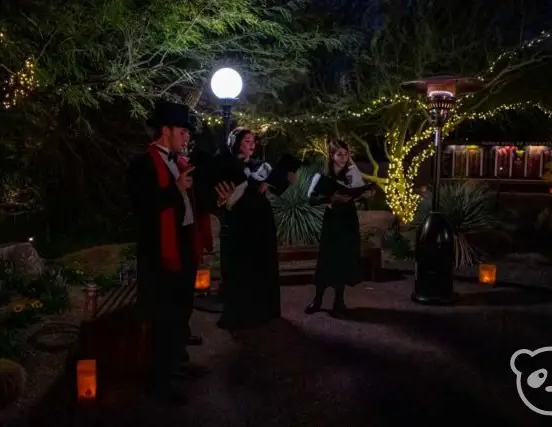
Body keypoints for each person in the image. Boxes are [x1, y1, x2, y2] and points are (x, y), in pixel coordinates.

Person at [126, 101, 231, 404]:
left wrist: (217, 200)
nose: (187, 138)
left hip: (183, 248)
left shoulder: (180, 163)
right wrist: (176, 188)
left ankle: (177, 365)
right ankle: (160, 383)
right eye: (183, 132)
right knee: (164, 317)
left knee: (182, 311)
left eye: (187, 133)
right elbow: (143, 208)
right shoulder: (142, 165)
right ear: (166, 131)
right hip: (159, 255)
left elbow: (194, 203)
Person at [213, 127, 296, 330]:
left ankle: (263, 310)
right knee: (240, 265)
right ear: (237, 142)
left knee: (262, 262)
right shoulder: (226, 165)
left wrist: (284, 181)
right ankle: (239, 313)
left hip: (261, 219)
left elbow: (276, 190)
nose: (252, 144)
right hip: (240, 221)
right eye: (247, 140)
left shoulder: (261, 165)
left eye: (253, 141)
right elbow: (222, 196)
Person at [305, 140, 373, 318]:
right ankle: (318, 299)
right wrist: (330, 198)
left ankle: (339, 301)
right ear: (332, 156)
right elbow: (311, 200)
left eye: (346, 154)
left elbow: (358, 191)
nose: (343, 158)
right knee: (327, 257)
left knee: (343, 258)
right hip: (332, 219)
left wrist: (362, 193)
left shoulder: (353, 172)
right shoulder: (323, 176)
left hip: (348, 218)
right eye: (339, 154)